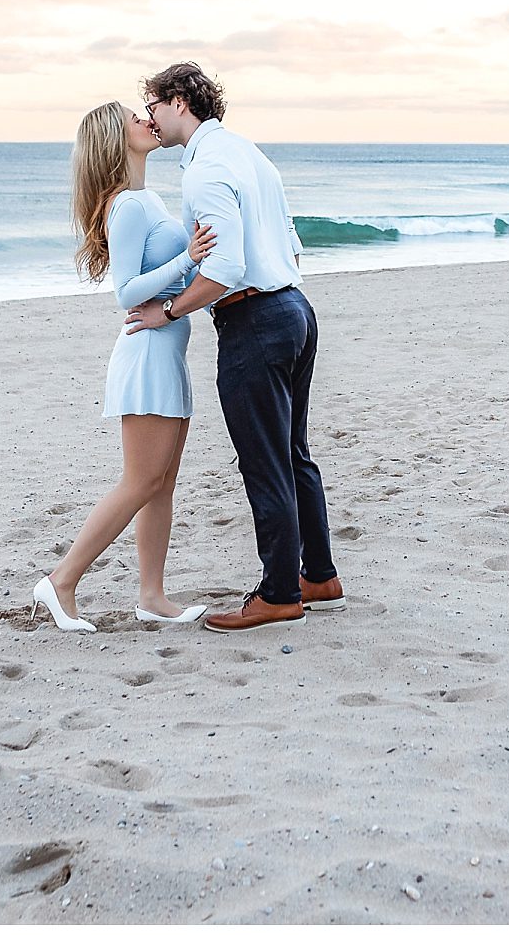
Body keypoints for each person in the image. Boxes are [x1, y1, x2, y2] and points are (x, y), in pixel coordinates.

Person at [125, 62, 345, 632]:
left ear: (177, 102)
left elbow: (224, 268)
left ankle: (278, 593)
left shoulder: (204, 172)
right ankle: (317, 575)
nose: (149, 117)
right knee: (293, 452)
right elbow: (290, 243)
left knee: (265, 460)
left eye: (151, 105)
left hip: (255, 317)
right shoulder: (250, 154)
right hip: (295, 307)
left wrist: (167, 310)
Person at [30, 100, 218, 633]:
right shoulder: (127, 208)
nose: (147, 121)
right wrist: (191, 258)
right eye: (135, 118)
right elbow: (127, 291)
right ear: (117, 137)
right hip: (146, 352)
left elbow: (169, 284)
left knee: (162, 483)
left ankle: (152, 596)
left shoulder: (146, 198)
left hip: (167, 348)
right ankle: (62, 581)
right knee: (140, 481)